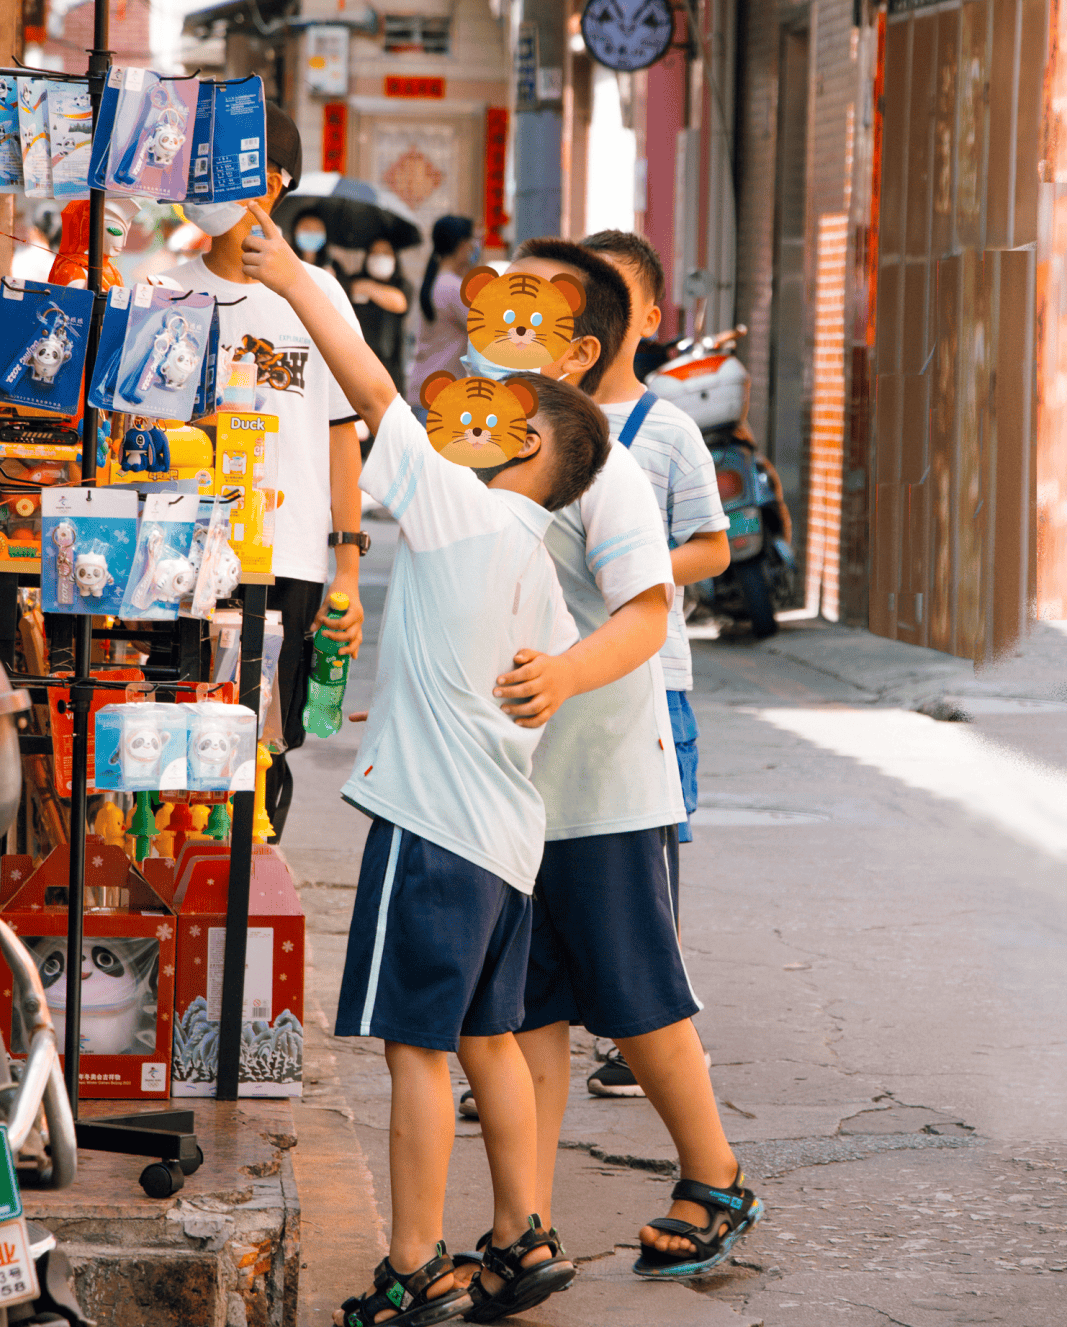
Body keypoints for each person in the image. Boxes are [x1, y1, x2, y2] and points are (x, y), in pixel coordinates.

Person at [239, 209, 668, 1327]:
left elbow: (374, 390)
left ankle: (415, 1262)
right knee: (490, 1040)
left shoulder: (461, 513)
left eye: (488, 417)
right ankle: (522, 1236)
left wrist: (291, 272)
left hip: (432, 836)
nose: (462, 417)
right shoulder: (532, 562)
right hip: (504, 843)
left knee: (418, 1055)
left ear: (521, 447)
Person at [490, 237, 763, 1282]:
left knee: (636, 992)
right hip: (519, 777)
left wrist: (561, 675)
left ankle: (715, 1174)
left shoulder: (605, 463)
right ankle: (525, 1225)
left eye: (527, 315)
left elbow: (647, 617)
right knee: (531, 1007)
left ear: (578, 349)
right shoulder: (495, 447)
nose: (498, 331)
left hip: (602, 771)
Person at [169, 104, 368, 839]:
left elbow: (343, 435)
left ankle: (250, 890)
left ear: (275, 183)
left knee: (263, 752)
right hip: (182, 561)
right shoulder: (166, 292)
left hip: (286, 560)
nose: (206, 181)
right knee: (181, 736)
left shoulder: (316, 297)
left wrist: (347, 570)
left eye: (226, 166)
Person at [580, 230, 730, 1096]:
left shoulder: (670, 428)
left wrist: (640, 566)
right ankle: (517, 1043)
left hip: (651, 677)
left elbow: (712, 547)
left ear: (647, 316)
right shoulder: (533, 414)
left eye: (614, 296)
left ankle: (652, 1038)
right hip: (554, 671)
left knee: (649, 855)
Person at [405, 215, 477, 415]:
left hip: (421, 391)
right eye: (472, 242)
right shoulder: (454, 288)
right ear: (462, 245)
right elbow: (487, 329)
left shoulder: (434, 282)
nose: (474, 248)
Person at [347, 237, 412, 396]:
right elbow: (351, 289)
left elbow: (399, 302)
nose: (379, 257)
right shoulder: (353, 280)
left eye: (385, 253)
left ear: (394, 258)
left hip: (390, 369)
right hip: (356, 367)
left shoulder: (402, 285)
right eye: (374, 253)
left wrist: (368, 288)